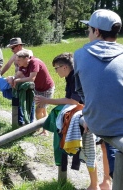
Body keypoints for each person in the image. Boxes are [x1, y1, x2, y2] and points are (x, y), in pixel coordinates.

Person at [35, 53, 100, 190]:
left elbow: (73, 101)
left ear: (64, 67)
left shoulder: (77, 78)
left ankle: (95, 185)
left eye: (56, 68)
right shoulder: (70, 77)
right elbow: (69, 99)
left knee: (90, 150)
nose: (56, 71)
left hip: (91, 114)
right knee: (90, 151)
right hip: (88, 111)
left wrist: (47, 100)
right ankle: (95, 184)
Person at [75, 9, 123, 186]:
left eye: (89, 30)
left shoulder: (80, 55)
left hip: (96, 122)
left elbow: (82, 91)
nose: (88, 34)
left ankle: (108, 178)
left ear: (96, 31)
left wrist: (90, 113)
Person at [7, 50, 55, 135]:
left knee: (38, 111)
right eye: (16, 60)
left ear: (26, 58)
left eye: (18, 60)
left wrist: (18, 80)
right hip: (37, 88)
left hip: (46, 88)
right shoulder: (22, 64)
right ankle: (44, 129)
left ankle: (39, 127)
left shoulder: (34, 62)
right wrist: (12, 78)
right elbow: (18, 74)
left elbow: (31, 78)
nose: (17, 62)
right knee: (42, 109)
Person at [0, 37, 35, 126]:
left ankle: (30, 123)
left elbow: (26, 69)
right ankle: (19, 122)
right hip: (17, 80)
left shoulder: (28, 53)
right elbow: (8, 65)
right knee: (17, 99)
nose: (11, 50)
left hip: (26, 80)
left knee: (28, 101)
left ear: (19, 46)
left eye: (12, 48)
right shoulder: (15, 55)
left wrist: (14, 78)